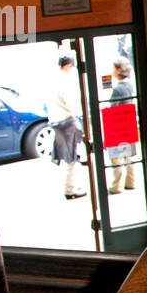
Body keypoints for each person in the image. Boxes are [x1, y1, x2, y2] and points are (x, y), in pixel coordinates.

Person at [49, 53, 86, 199]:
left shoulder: (51, 79)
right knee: (73, 156)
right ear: (68, 66)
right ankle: (70, 189)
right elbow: (70, 102)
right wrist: (77, 113)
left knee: (67, 156)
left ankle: (71, 186)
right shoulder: (64, 80)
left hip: (55, 121)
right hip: (67, 120)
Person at [107, 56, 138, 193]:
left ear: (118, 70)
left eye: (113, 68)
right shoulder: (129, 85)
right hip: (129, 125)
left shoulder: (117, 90)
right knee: (129, 155)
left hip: (118, 126)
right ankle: (130, 182)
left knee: (117, 157)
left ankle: (117, 186)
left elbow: (113, 110)